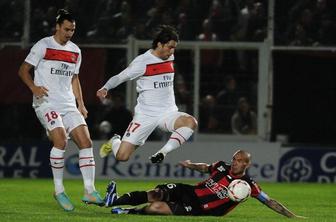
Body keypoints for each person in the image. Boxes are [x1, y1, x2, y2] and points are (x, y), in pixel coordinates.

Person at [18, 9, 103, 211]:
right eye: (66, 29)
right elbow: (23, 70)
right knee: (61, 140)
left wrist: (81, 104)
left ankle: (89, 190)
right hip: (46, 102)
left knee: (86, 141)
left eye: (72, 30)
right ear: (57, 27)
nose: (69, 33)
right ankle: (58, 190)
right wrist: (33, 88)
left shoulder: (75, 51)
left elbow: (75, 78)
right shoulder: (43, 45)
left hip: (68, 104)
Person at [97, 25, 197, 163]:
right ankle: (115, 141)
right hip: (145, 115)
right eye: (170, 47)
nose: (172, 51)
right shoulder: (142, 62)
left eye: (174, 47)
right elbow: (121, 76)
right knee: (122, 157)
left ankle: (163, 152)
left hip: (168, 112)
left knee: (191, 122)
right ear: (159, 44)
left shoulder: (170, 56)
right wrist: (105, 88)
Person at [102, 150, 306, 218]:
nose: (234, 162)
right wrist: (190, 165)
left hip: (201, 208)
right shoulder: (222, 167)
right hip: (191, 191)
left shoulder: (247, 185)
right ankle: (113, 200)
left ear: (246, 164)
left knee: (156, 208)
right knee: (157, 192)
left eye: (238, 160)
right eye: (234, 158)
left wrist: (291, 215)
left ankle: (129, 212)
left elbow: (268, 201)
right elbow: (205, 167)